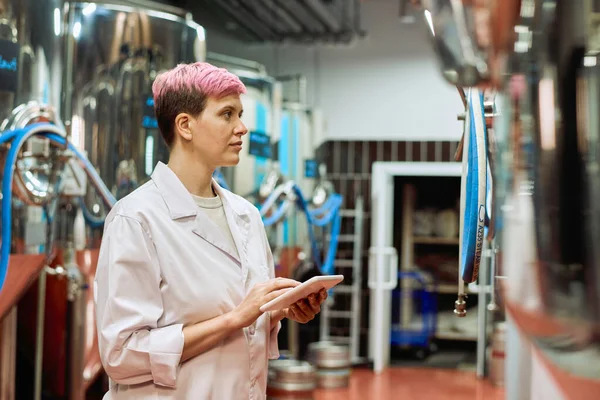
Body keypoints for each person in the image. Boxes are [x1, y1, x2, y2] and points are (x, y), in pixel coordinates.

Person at [94, 62, 328, 399]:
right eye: (227, 114)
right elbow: (121, 354)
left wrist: (280, 310)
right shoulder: (136, 219)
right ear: (185, 125)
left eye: (240, 114)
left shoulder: (247, 216)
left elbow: (245, 319)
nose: (242, 128)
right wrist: (235, 319)